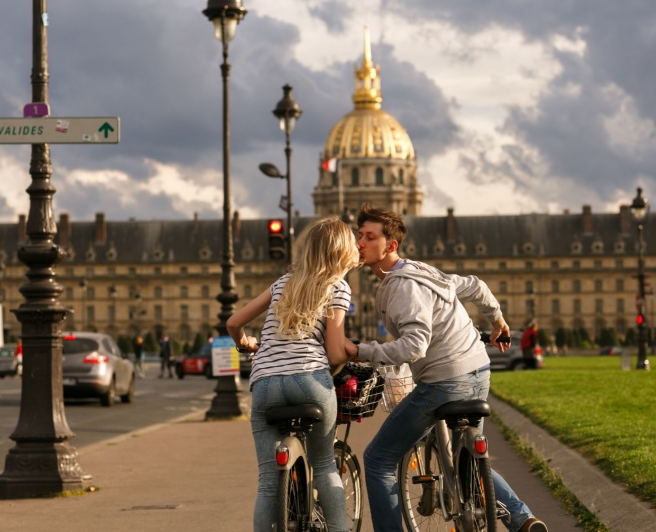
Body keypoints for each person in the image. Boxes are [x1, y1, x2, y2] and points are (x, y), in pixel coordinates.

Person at [345, 204, 546, 532]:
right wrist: (498, 321)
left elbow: (414, 346)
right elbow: (476, 286)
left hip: (442, 383)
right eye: (359, 235)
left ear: (391, 246)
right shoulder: (424, 271)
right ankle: (523, 519)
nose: (360, 243)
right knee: (467, 458)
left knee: (378, 459)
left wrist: (360, 350)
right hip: (479, 371)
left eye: (369, 237)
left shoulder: (398, 286)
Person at [226, 217, 359, 532]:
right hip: (310, 380)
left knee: (268, 481)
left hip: (265, 383)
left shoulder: (282, 283)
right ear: (342, 253)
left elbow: (233, 322)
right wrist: (357, 350)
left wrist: (245, 343)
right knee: (325, 465)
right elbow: (335, 352)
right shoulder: (337, 286)